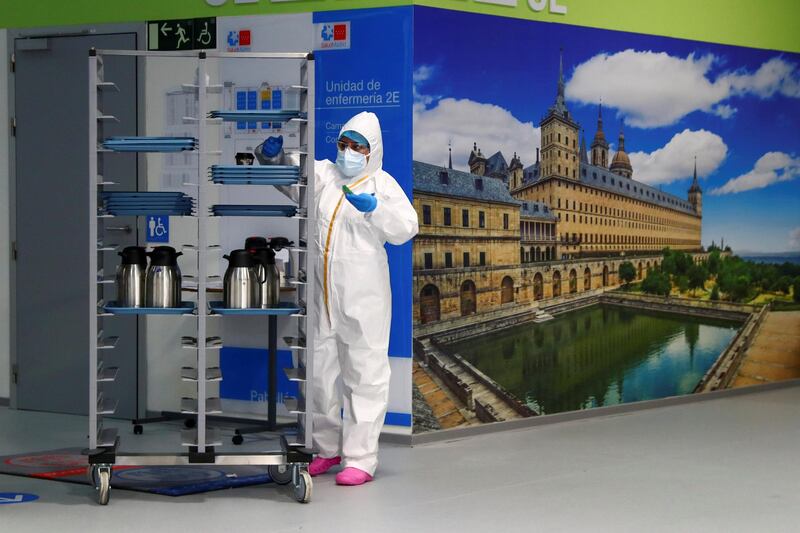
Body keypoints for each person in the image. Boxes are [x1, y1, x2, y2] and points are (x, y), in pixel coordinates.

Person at [302, 112, 418, 486]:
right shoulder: (325, 177)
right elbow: (294, 182)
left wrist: (376, 209)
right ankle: (325, 449)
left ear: (372, 151)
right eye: (344, 144)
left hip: (364, 298)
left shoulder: (382, 185)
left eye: (357, 146)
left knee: (364, 376)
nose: (348, 152)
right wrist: (270, 157)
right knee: (319, 376)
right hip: (323, 296)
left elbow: (406, 228)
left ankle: (361, 458)